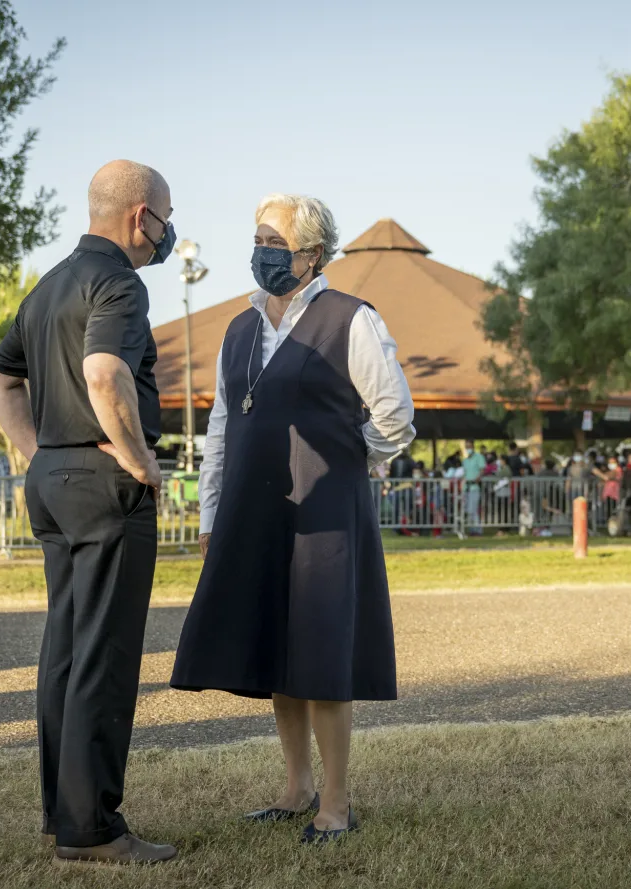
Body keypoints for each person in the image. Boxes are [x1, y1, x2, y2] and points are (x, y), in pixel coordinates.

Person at [170, 193, 415, 844]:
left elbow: (395, 415)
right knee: (278, 648)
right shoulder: (237, 328)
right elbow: (220, 429)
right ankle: (295, 786)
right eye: (257, 237)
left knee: (322, 651)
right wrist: (209, 515)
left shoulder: (351, 319)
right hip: (253, 513)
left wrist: (349, 459)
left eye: (273, 240)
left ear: (309, 253)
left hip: (328, 515)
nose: (260, 250)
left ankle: (335, 802)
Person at [0, 160, 176, 865]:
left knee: (65, 646)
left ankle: (60, 813)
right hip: (103, 483)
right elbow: (103, 371)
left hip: (53, 479)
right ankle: (92, 828)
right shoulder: (118, 282)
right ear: (139, 217)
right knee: (106, 651)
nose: (166, 232)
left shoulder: (47, 286)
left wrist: (40, 449)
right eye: (165, 216)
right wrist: (137, 457)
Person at [461, 440, 487, 535]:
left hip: (474, 487)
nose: (468, 449)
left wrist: (478, 478)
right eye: (466, 447)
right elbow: (464, 474)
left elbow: (482, 470)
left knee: (474, 509)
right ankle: (472, 529)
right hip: (466, 488)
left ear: (473, 447)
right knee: (468, 510)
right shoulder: (465, 460)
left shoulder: (479, 457)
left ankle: (478, 530)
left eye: (469, 447)